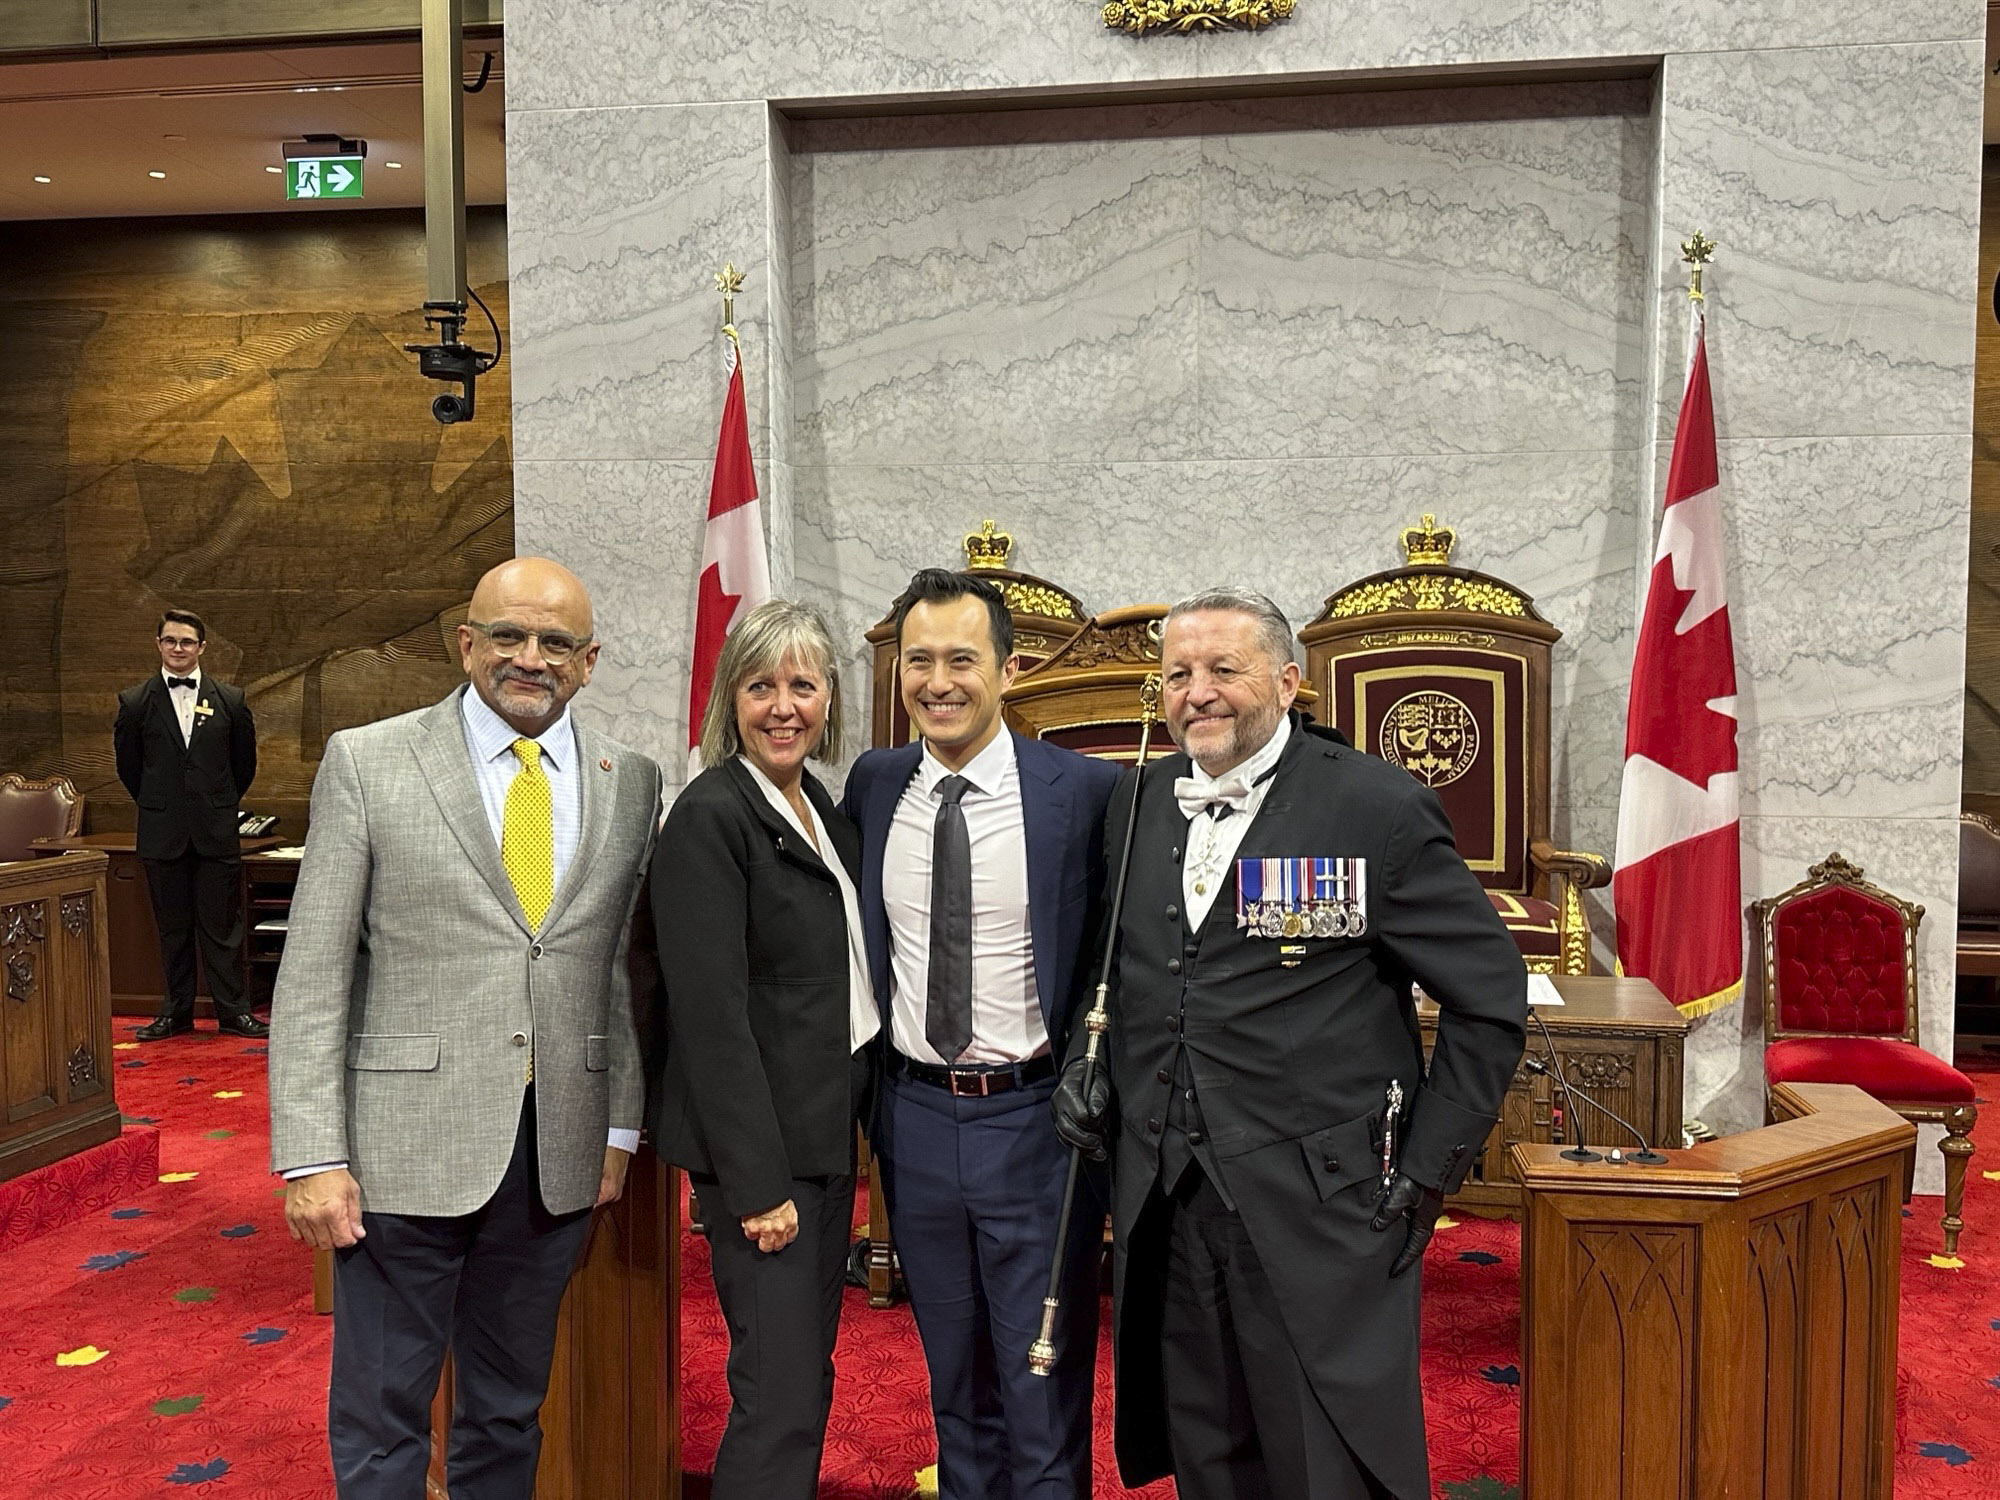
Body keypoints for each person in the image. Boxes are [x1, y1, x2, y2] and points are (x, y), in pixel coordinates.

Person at [1054, 587, 1528, 1500]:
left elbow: (1490, 997)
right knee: (1209, 1451)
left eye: (1222, 670)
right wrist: (1087, 1060)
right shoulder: (1136, 800)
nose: (1198, 692)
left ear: (1287, 680)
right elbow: (1118, 972)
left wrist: (1428, 1169)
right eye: (1178, 674)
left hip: (1325, 1200)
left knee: (1324, 1462)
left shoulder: (1375, 807)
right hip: (1169, 1193)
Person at [267, 557, 663, 1500]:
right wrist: (309, 1153)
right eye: (510, 637)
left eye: (556, 643)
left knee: (508, 1409)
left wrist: (616, 1127)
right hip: (403, 1152)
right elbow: (315, 971)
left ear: (590, 659)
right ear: (467, 644)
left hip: (554, 1153)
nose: (532, 659)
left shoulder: (630, 779)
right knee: (382, 1413)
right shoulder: (370, 760)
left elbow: (618, 969)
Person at [842, 568, 1122, 1500]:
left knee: (1041, 1385)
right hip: (915, 1120)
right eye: (918, 661)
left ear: (1010, 668)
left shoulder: (1082, 792)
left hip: (1038, 1124)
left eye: (963, 659)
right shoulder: (876, 785)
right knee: (954, 1386)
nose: (938, 682)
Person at [649, 598, 879, 1498]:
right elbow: (709, 1021)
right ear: (727, 701)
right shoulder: (712, 818)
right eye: (760, 686)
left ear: (828, 700)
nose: (784, 706)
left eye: (802, 685)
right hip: (767, 1164)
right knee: (776, 1396)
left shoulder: (814, 801)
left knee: (802, 1380)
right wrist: (757, 1188)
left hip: (821, 1140)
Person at [114, 607, 265, 1040]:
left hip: (216, 833)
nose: (177, 648)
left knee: (224, 930)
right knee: (172, 929)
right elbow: (130, 769)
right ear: (158, 645)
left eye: (186, 642)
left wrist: (214, 805)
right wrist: (163, 806)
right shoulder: (136, 702)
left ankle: (234, 1012)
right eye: (169, 641)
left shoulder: (231, 701)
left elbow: (244, 766)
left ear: (201, 647)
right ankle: (175, 1013)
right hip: (162, 834)